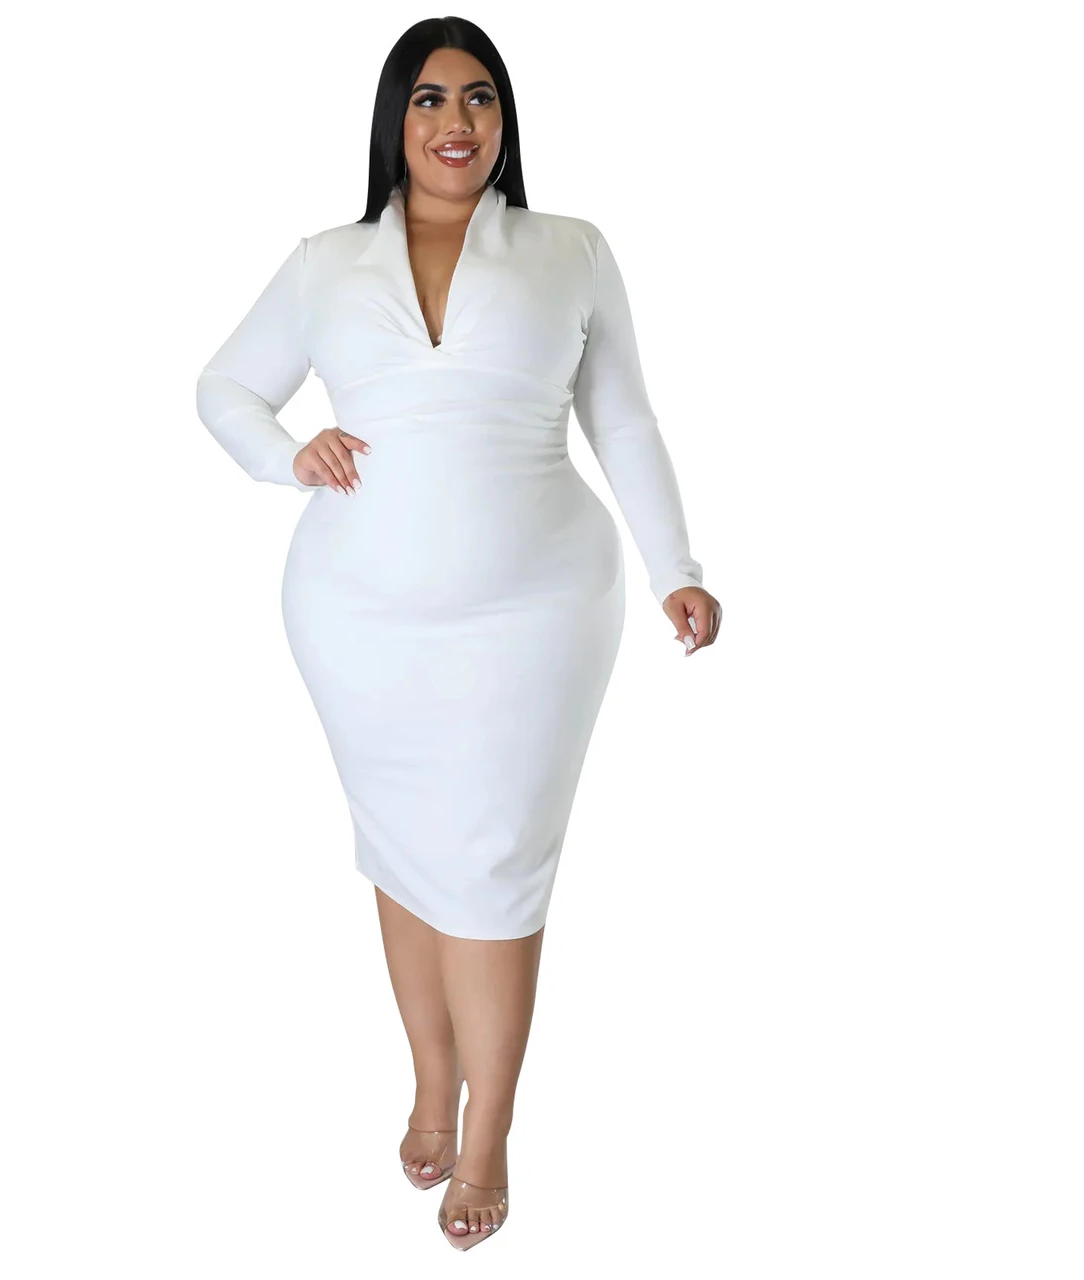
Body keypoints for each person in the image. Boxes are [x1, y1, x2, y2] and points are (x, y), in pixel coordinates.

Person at [195, 16, 723, 1250]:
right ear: (394, 118)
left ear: (505, 120)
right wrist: (287, 453)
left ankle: (488, 1134)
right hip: (357, 619)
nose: (455, 121)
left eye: (479, 98)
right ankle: (432, 1085)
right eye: (429, 98)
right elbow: (222, 387)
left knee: (492, 865)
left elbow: (623, 420)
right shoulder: (325, 262)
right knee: (403, 853)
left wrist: (675, 570)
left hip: (536, 615)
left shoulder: (569, 248)